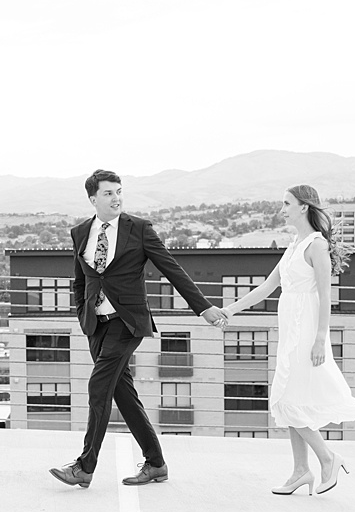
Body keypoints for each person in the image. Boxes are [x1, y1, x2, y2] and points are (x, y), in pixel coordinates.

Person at [50, 169, 227, 488]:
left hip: (127, 322)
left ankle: (84, 467)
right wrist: (82, 315)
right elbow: (80, 280)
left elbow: (171, 269)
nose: (116, 197)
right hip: (96, 325)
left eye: (119, 191)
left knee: (98, 387)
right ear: (93, 198)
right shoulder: (80, 232)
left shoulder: (139, 229)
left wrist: (203, 307)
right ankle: (156, 464)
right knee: (124, 395)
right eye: (108, 193)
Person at [221, 185, 355, 495]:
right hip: (290, 328)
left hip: (306, 332)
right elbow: (266, 287)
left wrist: (320, 339)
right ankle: (301, 471)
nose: (282, 208)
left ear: (303, 207)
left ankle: (328, 458)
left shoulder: (316, 246)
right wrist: (229, 310)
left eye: (287, 203)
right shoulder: (294, 245)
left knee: (286, 400)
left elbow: (326, 295)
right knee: (292, 399)